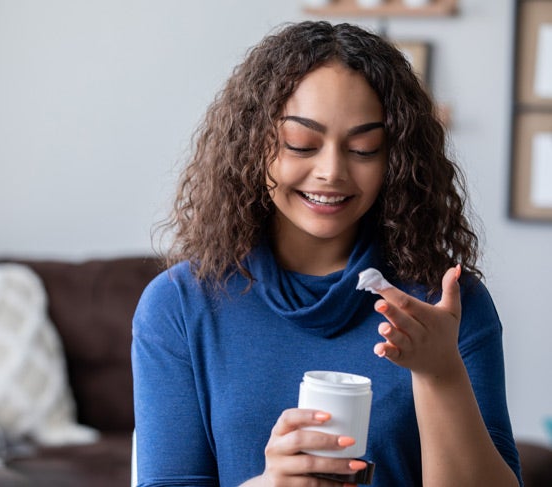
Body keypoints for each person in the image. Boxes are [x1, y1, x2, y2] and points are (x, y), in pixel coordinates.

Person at [131, 21, 523, 486]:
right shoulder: (180, 307)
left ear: (394, 159)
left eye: (363, 148)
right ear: (254, 146)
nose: (331, 171)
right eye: (301, 144)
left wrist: (440, 373)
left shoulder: (444, 305)